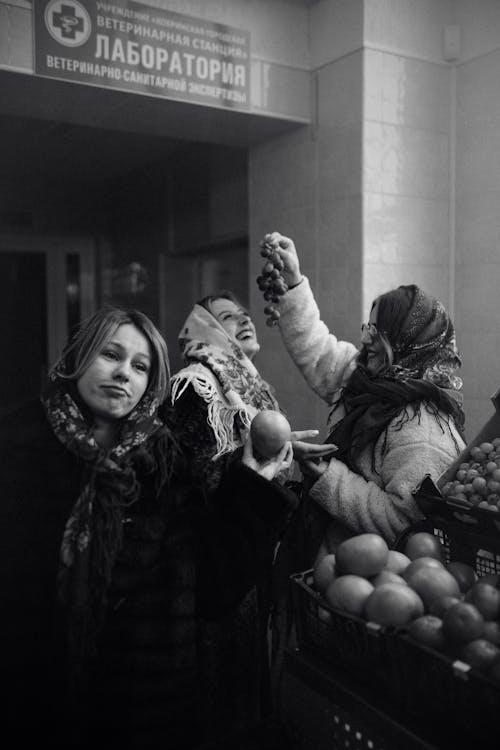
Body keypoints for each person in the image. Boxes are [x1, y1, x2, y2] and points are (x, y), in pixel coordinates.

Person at [0, 305, 298, 750]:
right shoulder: (17, 450)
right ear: (77, 359)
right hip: (35, 698)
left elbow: (212, 587)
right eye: (110, 355)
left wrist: (252, 482)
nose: (124, 374)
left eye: (140, 366)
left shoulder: (165, 463)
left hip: (144, 712)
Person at [169, 291, 334, 746]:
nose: (243, 320)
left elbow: (236, 449)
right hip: (213, 561)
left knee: (244, 675)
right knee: (219, 692)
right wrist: (257, 471)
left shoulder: (245, 384)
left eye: (245, 315)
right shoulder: (195, 384)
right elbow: (199, 481)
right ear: (204, 327)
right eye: (226, 316)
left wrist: (279, 453)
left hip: (243, 550)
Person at [258, 231, 466, 560]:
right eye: (367, 327)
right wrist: (293, 281)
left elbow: (405, 524)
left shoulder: (422, 429)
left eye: (378, 331)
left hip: (376, 586)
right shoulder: (368, 380)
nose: (366, 340)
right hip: (336, 567)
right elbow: (319, 352)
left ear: (407, 341)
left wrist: (329, 476)